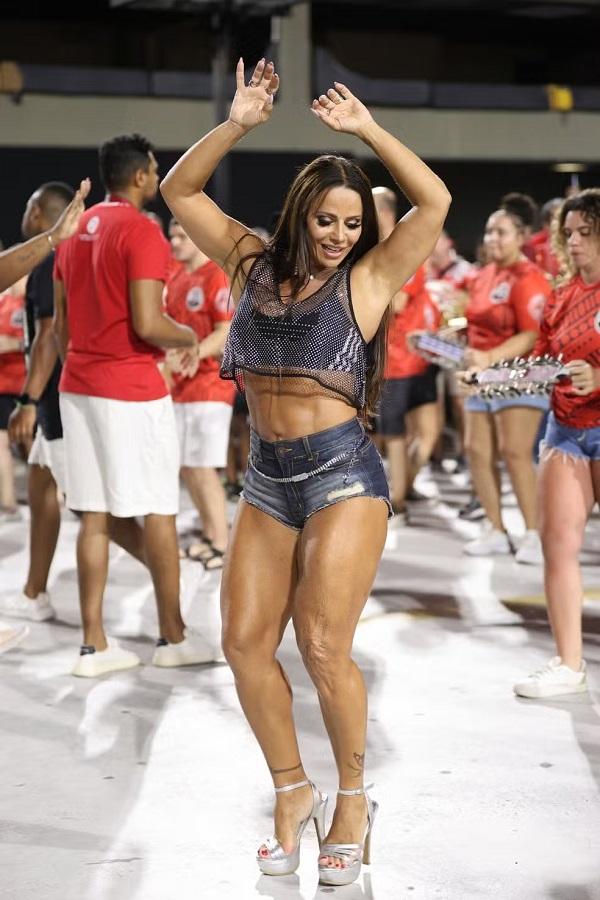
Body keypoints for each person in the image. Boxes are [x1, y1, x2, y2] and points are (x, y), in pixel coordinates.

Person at [160, 57, 450, 885]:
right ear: (301, 214)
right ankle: (293, 791)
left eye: (351, 223)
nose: (338, 235)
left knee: (323, 646)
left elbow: (432, 203)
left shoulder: (369, 278)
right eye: (326, 219)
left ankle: (354, 798)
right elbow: (182, 192)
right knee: (246, 645)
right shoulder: (250, 262)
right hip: (266, 479)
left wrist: (366, 132)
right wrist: (240, 122)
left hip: (341, 477)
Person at [53, 133, 222, 677]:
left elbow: (60, 326)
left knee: (94, 515)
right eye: (154, 168)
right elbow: (149, 324)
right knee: (158, 512)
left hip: (77, 382)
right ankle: (172, 636)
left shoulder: (76, 228)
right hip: (131, 390)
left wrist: (81, 364)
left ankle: (93, 645)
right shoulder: (142, 232)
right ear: (143, 177)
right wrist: (186, 340)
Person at [514, 189, 600, 698]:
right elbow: (545, 357)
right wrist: (497, 377)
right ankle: (570, 663)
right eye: (569, 234)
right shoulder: (563, 295)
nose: (575, 242)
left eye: (587, 232)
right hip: (565, 430)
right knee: (558, 546)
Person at [0, 178, 90, 654]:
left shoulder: (46, 259)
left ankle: (169, 604)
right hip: (73, 392)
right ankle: (34, 593)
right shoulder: (72, 252)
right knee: (40, 482)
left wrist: (29, 399)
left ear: (40, 212)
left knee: (93, 510)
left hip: (60, 397)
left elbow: (49, 334)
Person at [460, 197, 552, 563]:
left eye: (501, 232)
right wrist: (458, 338)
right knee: (476, 451)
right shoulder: (483, 275)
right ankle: (496, 529)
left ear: (522, 237)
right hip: (481, 375)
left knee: (515, 452)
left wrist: (490, 358)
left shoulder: (531, 279)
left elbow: (531, 334)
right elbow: (478, 322)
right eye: (488, 231)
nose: (492, 238)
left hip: (522, 374)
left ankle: (534, 533)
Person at [165, 218, 235, 569]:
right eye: (172, 235)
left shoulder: (215, 275)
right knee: (188, 466)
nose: (174, 241)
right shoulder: (176, 276)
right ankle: (209, 535)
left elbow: (226, 330)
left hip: (210, 385)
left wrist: (197, 352)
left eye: (181, 235)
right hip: (180, 386)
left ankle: (222, 542)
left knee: (204, 467)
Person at [373, 187, 441, 521]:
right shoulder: (376, 253)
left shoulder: (402, 252)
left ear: (384, 214)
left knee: (424, 435)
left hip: (410, 361)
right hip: (395, 362)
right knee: (397, 435)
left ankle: (401, 491)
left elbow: (396, 303)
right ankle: (398, 496)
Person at [0, 273, 26, 520]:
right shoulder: (4, 303)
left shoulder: (28, 305)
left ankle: (60, 492)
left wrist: (11, 344)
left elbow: (25, 341)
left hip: (23, 384)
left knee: (33, 443)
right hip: (3, 384)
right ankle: (7, 499)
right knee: (2, 445)